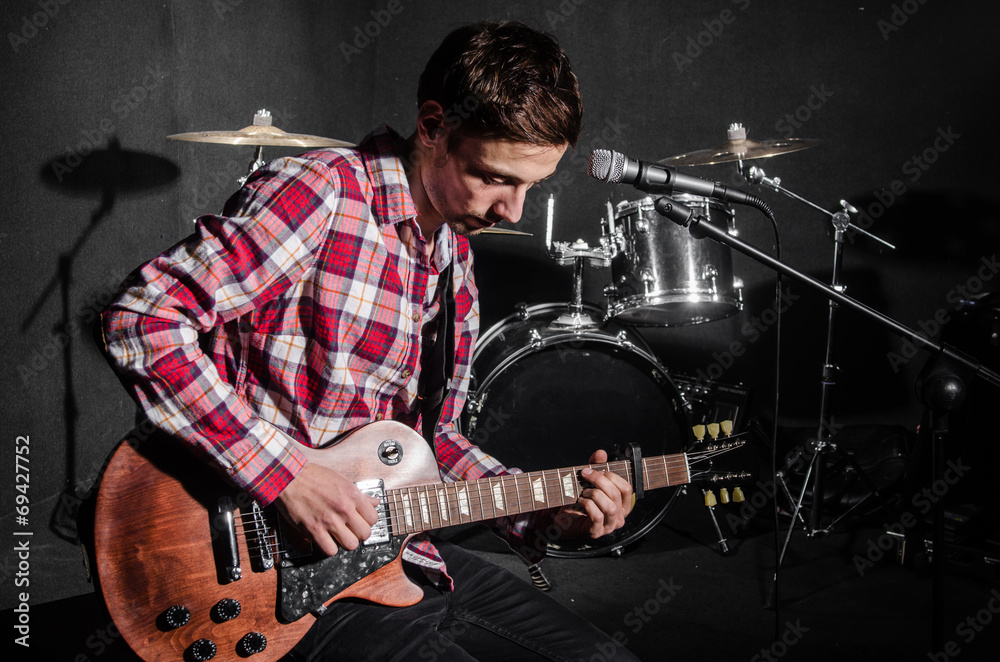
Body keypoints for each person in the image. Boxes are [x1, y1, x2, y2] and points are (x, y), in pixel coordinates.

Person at [101, 20, 638, 661]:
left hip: (396, 558)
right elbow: (143, 320)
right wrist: (285, 475)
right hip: (273, 577)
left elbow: (430, 443)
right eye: (496, 177)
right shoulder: (321, 193)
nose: (513, 211)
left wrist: (546, 510)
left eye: (531, 186)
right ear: (434, 126)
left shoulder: (455, 265)